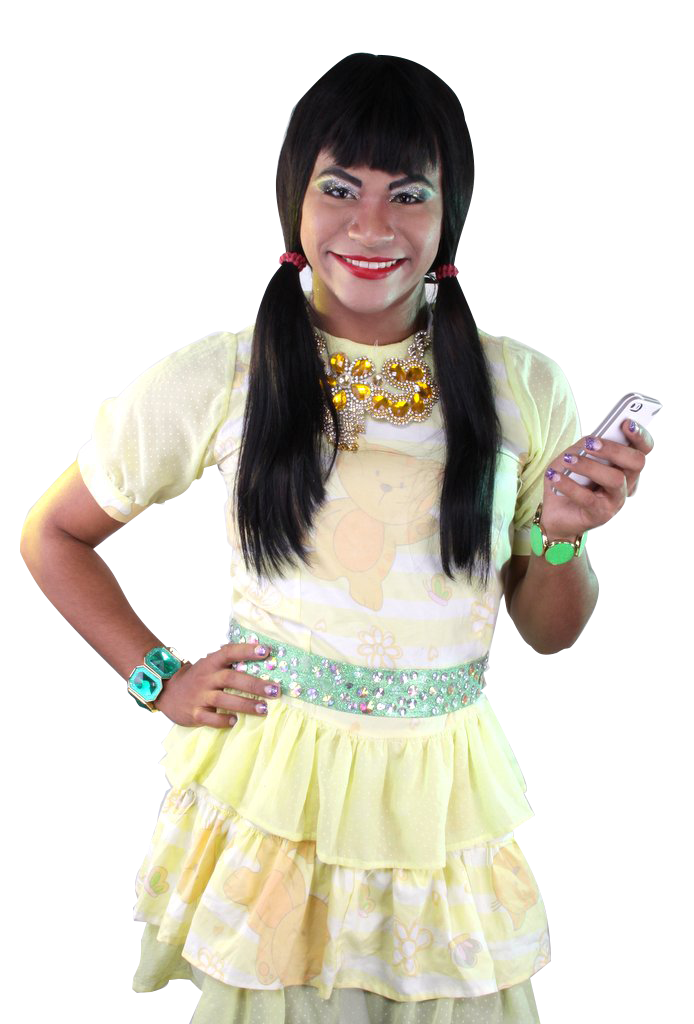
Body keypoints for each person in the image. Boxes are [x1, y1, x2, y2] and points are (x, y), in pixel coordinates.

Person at [20, 52, 655, 1024]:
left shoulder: (521, 387)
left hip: (442, 800)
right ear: (295, 200)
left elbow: (551, 629)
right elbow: (52, 534)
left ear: (449, 213)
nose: (371, 226)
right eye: (339, 188)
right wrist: (158, 677)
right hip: (278, 796)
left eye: (409, 193)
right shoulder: (225, 377)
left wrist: (565, 538)